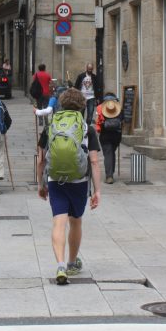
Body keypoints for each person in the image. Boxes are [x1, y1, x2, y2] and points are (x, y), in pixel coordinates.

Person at [36, 88, 101, 285]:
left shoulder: (51, 127)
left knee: (59, 222)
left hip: (56, 181)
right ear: (82, 106)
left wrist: (40, 184)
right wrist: (97, 190)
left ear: (61, 105)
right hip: (79, 182)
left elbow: (40, 160)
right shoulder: (87, 128)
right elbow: (95, 161)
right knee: (76, 221)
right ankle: (73, 262)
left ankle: (61, 265)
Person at [95, 93, 123, 184]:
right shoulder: (119, 109)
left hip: (105, 135)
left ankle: (109, 176)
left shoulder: (100, 109)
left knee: (108, 154)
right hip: (116, 136)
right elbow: (123, 121)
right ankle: (111, 173)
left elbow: (97, 122)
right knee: (111, 153)